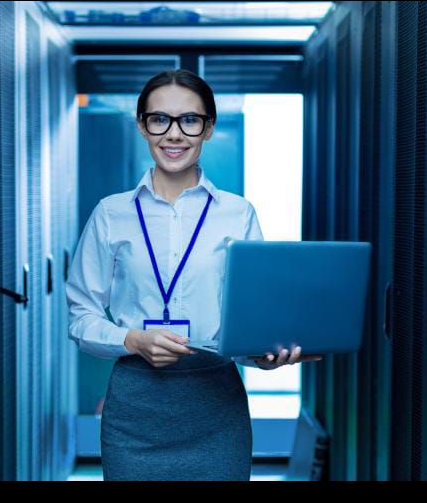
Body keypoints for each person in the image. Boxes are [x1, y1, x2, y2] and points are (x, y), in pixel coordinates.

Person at [66, 69, 322, 481]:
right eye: (159, 119)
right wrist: (132, 338)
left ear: (208, 128)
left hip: (216, 406)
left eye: (189, 120)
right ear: (142, 125)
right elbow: (81, 317)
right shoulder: (110, 213)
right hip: (135, 408)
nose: (174, 134)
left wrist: (264, 355)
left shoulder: (238, 213)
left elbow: (249, 320)